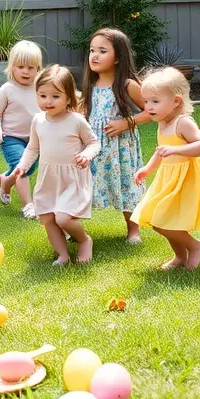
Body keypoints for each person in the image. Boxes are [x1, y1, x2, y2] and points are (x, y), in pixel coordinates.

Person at [132, 67, 200, 270]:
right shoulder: (162, 122)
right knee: (159, 218)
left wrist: (178, 149)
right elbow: (160, 151)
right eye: (146, 101)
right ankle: (180, 256)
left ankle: (195, 247)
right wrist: (148, 168)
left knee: (163, 221)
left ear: (176, 101)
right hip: (168, 178)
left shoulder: (182, 122)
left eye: (155, 101)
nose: (148, 106)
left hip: (186, 177)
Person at [13, 65, 101, 264]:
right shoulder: (38, 121)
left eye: (55, 96)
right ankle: (62, 253)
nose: (48, 101)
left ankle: (84, 240)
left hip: (72, 178)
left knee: (63, 218)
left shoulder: (76, 121)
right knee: (47, 218)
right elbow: (33, 148)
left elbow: (94, 142)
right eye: (42, 96)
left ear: (68, 98)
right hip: (49, 178)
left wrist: (86, 154)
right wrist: (22, 166)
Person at [80, 28, 150, 244]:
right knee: (85, 184)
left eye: (102, 51)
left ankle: (133, 230)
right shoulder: (90, 86)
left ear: (118, 57)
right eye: (92, 50)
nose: (95, 55)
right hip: (94, 147)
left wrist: (126, 123)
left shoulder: (128, 86)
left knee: (127, 184)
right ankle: (73, 228)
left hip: (121, 150)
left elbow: (151, 113)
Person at [0, 40, 42, 220]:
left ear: (38, 68)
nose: (26, 71)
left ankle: (5, 181)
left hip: (35, 139)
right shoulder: (7, 90)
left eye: (31, 67)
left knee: (25, 168)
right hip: (11, 137)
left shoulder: (41, 88)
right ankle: (29, 205)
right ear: (12, 67)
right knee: (22, 167)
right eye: (20, 67)